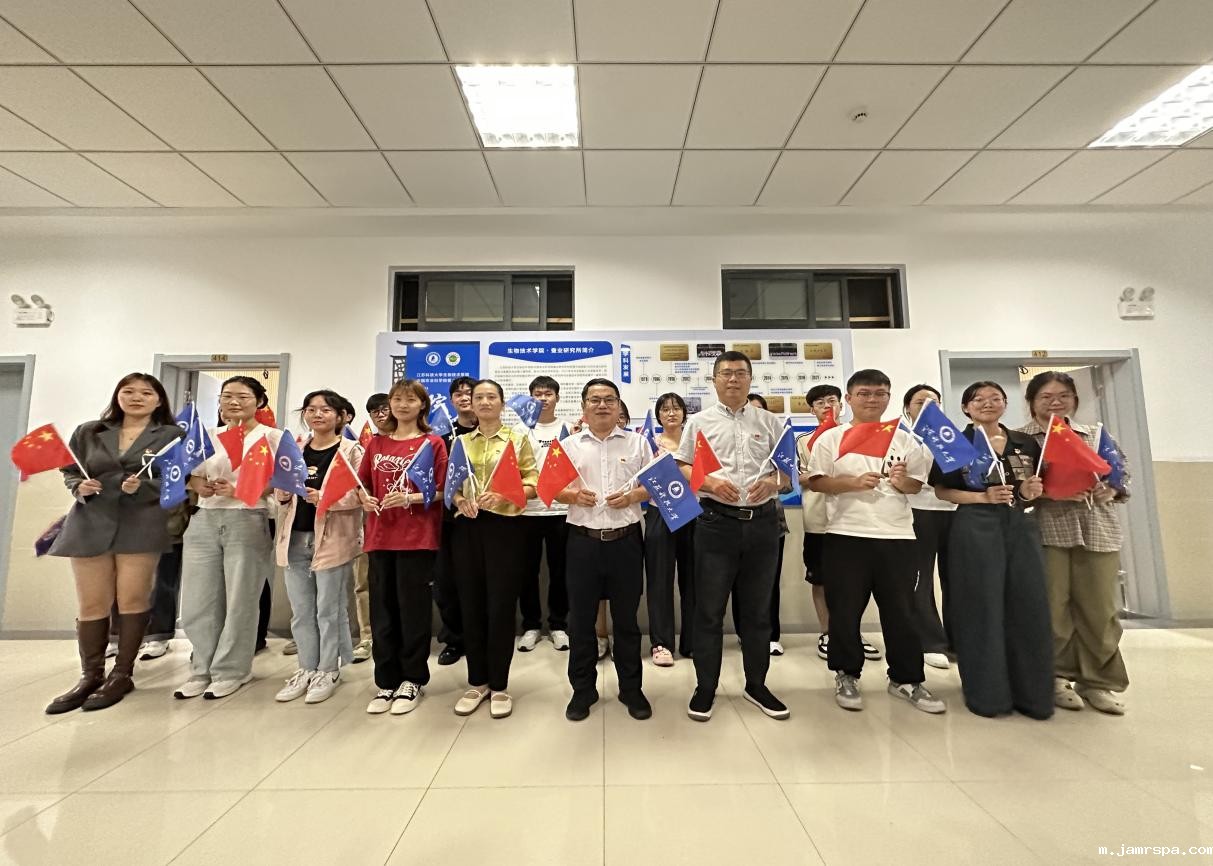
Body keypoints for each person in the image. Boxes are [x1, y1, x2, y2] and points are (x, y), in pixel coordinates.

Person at [806, 369, 946, 715]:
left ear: (889, 398)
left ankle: (906, 679)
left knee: (902, 612)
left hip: (897, 536)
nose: (872, 399)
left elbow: (915, 486)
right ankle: (846, 674)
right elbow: (816, 482)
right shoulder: (832, 438)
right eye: (864, 393)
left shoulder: (906, 440)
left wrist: (901, 481)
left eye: (880, 393)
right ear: (849, 398)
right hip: (845, 534)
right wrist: (851, 483)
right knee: (844, 612)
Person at [44, 373, 184, 714]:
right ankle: (90, 675)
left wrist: (144, 488)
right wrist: (78, 487)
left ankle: (122, 674)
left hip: (142, 521)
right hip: (92, 520)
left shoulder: (171, 435)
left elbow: (178, 480)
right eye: (128, 391)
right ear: (117, 396)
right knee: (92, 602)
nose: (136, 397)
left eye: (146, 393)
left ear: (159, 400)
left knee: (132, 598)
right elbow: (70, 470)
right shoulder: (89, 431)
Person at [675, 351, 790, 723]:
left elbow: (787, 472)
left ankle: (756, 685)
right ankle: (705, 688)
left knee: (757, 612)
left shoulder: (770, 422)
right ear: (714, 380)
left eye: (741, 373)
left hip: (762, 525)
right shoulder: (699, 422)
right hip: (715, 523)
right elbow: (682, 465)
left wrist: (773, 482)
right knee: (709, 612)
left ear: (750, 379)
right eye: (726, 373)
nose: (733, 379)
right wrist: (708, 482)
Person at [932, 381, 1052, 719]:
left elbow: (1031, 488)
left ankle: (1032, 695)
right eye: (978, 399)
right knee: (980, 606)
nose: (987, 403)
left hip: (1020, 526)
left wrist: (1028, 492)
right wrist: (982, 497)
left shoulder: (1024, 442)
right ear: (966, 407)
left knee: (1028, 605)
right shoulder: (956, 443)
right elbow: (942, 491)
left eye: (995, 398)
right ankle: (988, 695)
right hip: (975, 526)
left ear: (1005, 403)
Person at [1019, 371, 1131, 715]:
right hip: (1047, 530)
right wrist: (1047, 492)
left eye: (1063, 396)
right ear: (1031, 402)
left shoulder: (1095, 435)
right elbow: (1015, 486)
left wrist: (1110, 489)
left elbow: (1120, 475)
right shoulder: (1021, 439)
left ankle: (1097, 681)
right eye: (1046, 396)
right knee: (1053, 608)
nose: (1055, 402)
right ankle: (1056, 676)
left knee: (1101, 610)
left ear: (1074, 400)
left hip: (1097, 529)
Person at [176, 376, 283, 701]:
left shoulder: (273, 437)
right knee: (199, 599)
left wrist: (240, 490)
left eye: (243, 396)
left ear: (259, 401)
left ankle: (232, 670)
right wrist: (200, 486)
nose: (234, 402)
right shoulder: (208, 436)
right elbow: (191, 475)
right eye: (227, 396)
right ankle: (201, 668)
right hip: (205, 518)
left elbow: (283, 480)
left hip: (247, 518)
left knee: (241, 598)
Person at [556, 379, 653, 722]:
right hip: (582, 542)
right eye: (594, 400)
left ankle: (631, 689)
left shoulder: (638, 442)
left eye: (609, 399)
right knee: (581, 622)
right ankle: (583, 690)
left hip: (626, 541)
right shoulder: (568, 445)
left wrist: (632, 496)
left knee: (626, 621)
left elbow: (653, 486)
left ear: (618, 406)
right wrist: (572, 496)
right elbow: (549, 488)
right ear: (584, 406)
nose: (602, 405)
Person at [449, 379, 538, 719]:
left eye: (491, 397)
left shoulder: (517, 439)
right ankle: (477, 682)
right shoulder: (460, 442)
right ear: (470, 403)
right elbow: (451, 486)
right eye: (478, 397)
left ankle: (499, 684)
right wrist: (460, 499)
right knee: (471, 603)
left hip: (506, 528)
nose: (484, 402)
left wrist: (504, 494)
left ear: (502, 403)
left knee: (500, 605)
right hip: (467, 527)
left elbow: (533, 483)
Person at [359, 380, 448, 715]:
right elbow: (362, 484)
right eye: (396, 399)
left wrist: (411, 497)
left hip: (417, 538)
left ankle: (412, 679)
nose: (402, 405)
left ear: (422, 405)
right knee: (382, 612)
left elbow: (444, 490)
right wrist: (364, 498)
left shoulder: (432, 443)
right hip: (379, 536)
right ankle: (386, 681)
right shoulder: (376, 443)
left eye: (410, 399)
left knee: (412, 612)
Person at [272, 390, 363, 704]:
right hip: (296, 538)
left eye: (325, 409)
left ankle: (328, 669)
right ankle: (306, 667)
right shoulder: (295, 449)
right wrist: (285, 494)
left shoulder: (351, 451)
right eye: (311, 409)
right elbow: (280, 493)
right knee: (301, 611)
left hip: (333, 538)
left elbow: (360, 495)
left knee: (328, 609)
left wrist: (325, 499)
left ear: (340, 416)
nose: (317, 415)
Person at [796, 385, 883, 663]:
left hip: (854, 518)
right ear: (811, 409)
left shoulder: (860, 436)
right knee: (820, 578)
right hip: (818, 520)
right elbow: (798, 477)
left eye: (831, 401)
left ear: (842, 404)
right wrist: (826, 477)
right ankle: (827, 632)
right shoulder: (803, 441)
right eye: (820, 402)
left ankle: (850, 633)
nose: (827, 406)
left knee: (853, 582)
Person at [902, 384, 957, 671]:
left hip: (956, 511)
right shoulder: (901, 438)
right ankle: (930, 641)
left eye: (933, 402)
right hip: (918, 511)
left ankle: (958, 641)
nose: (926, 407)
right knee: (920, 579)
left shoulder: (953, 437)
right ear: (907, 408)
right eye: (919, 402)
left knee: (956, 578)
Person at [516, 375, 570, 653]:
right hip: (527, 512)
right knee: (527, 572)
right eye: (537, 394)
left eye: (548, 394)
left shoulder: (568, 429)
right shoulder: (519, 430)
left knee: (561, 572)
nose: (543, 399)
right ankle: (531, 626)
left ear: (557, 398)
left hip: (562, 510)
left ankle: (559, 625)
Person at [732, 393, 788, 657]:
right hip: (729, 519)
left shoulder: (772, 430)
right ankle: (744, 633)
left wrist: (772, 483)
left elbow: (789, 477)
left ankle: (771, 635)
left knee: (768, 581)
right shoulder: (722, 432)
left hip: (769, 517)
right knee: (735, 582)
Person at [644, 392, 695, 666]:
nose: (671, 413)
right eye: (665, 409)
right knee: (659, 580)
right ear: (659, 416)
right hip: (659, 513)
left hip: (693, 512)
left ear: (684, 413)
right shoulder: (649, 442)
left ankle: (692, 642)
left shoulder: (695, 442)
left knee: (694, 580)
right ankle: (661, 643)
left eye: (676, 408)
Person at [435, 376, 478, 666]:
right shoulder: (442, 435)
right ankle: (454, 639)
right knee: (447, 583)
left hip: (487, 519)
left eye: (470, 393)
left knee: (480, 583)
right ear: (451, 400)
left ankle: (479, 638)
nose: (464, 398)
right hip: (449, 520)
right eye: (458, 394)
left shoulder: (494, 433)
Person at [347, 392, 391, 664]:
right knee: (363, 584)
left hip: (401, 527)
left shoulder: (417, 442)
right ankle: (367, 637)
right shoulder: (366, 445)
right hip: (367, 526)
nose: (381, 414)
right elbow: (358, 484)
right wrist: (363, 496)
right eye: (375, 411)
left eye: (385, 409)